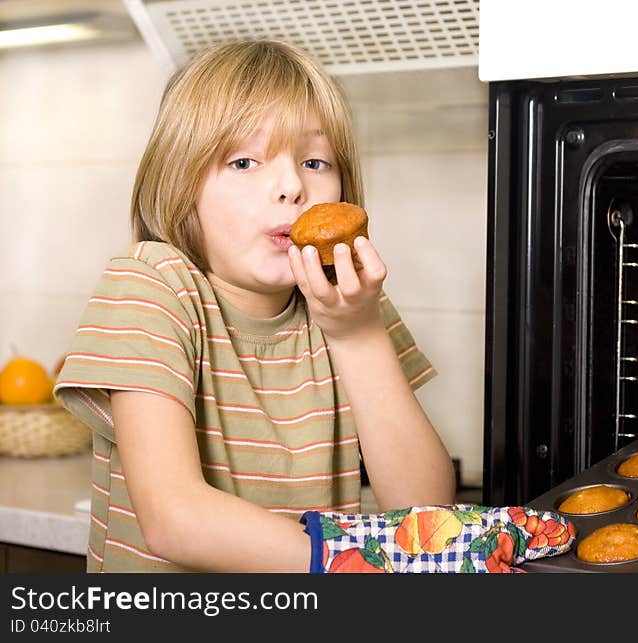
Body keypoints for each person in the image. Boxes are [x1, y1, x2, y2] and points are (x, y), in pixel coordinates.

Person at [55, 39, 573, 573]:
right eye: (244, 161)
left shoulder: (345, 303)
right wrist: (353, 562)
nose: (291, 186)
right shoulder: (152, 285)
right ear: (181, 187)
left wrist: (357, 333)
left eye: (314, 160)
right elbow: (174, 519)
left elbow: (422, 512)